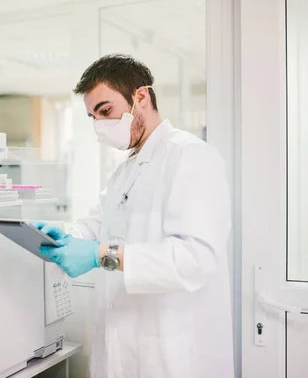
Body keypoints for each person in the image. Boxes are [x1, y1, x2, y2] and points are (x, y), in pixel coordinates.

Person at [34, 54, 233, 378]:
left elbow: (195, 258)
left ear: (141, 96)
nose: (100, 126)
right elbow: (97, 224)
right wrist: (59, 233)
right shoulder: (125, 171)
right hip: (123, 350)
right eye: (92, 117)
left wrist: (101, 255)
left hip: (174, 354)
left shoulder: (192, 156)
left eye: (106, 111)